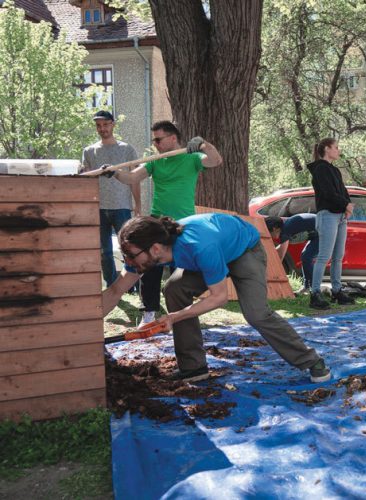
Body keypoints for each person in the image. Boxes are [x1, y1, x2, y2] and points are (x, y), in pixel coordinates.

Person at [102, 214, 331, 383]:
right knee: (174, 289)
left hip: (243, 251)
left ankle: (312, 361)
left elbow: (219, 297)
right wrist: (84, 326)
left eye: (130, 256)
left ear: (154, 249)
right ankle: (194, 368)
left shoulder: (198, 246)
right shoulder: (149, 254)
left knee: (256, 314)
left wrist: (175, 316)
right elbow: (115, 291)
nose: (128, 261)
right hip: (214, 252)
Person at [112, 121, 223, 327]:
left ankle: (180, 315)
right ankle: (149, 312)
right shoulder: (156, 161)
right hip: (157, 221)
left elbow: (215, 160)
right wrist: (114, 173)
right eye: (153, 140)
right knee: (149, 267)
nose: (155, 144)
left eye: (158, 139)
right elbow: (132, 177)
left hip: (184, 222)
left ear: (173, 138)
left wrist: (203, 144)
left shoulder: (192, 158)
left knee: (180, 272)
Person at [80, 110, 141, 289]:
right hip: (97, 208)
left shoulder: (127, 149)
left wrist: (138, 205)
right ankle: (112, 285)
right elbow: (86, 179)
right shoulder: (89, 151)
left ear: (113, 124)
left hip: (122, 207)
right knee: (104, 252)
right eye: (98, 125)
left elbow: (135, 179)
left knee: (128, 248)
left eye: (106, 124)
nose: (102, 128)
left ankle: (133, 286)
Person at [306, 138, 355, 310]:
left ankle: (337, 290)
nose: (338, 150)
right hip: (327, 215)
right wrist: (345, 204)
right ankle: (315, 293)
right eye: (336, 147)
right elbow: (328, 193)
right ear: (327, 149)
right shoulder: (320, 169)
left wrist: (347, 206)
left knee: (338, 257)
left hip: (340, 216)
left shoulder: (334, 170)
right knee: (323, 256)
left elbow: (342, 191)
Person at [265, 214, 318, 295]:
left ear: (274, 229)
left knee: (307, 257)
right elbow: (281, 248)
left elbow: (281, 256)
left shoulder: (285, 231)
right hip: (318, 231)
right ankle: (308, 287)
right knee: (306, 256)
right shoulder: (286, 227)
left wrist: (270, 272)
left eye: (269, 232)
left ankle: (313, 288)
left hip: (324, 230)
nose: (270, 235)